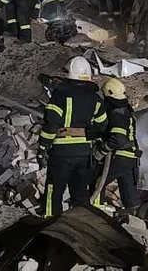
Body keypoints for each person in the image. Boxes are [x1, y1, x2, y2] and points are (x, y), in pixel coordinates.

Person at [38, 56, 108, 218]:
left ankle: (51, 224)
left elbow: (51, 125)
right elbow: (102, 125)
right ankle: (80, 225)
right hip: (84, 154)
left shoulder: (60, 95)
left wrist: (42, 148)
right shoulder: (95, 98)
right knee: (80, 193)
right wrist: (87, 133)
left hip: (61, 153)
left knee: (54, 191)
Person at [91, 78, 142, 209]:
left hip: (119, 157)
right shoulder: (126, 111)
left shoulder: (116, 112)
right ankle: (135, 217)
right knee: (129, 195)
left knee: (98, 182)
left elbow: (118, 139)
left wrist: (102, 150)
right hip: (131, 158)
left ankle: (95, 212)